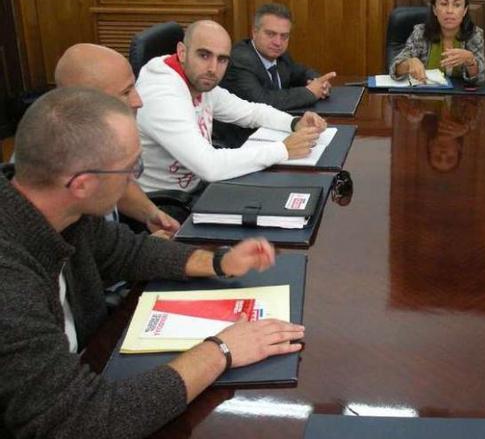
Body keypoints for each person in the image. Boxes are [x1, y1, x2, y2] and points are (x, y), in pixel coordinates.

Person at [0, 87, 305, 437]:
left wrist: (221, 262)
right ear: (81, 184)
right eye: (131, 168)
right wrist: (221, 350)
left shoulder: (63, 210)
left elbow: (130, 252)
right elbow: (85, 422)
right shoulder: (9, 283)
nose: (135, 179)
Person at [136, 20, 327, 194]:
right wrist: (283, 149)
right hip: (166, 203)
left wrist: (294, 123)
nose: (212, 68)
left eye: (222, 59)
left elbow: (250, 111)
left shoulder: (199, 81)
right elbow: (209, 166)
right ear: (182, 52)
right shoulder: (161, 95)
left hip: (199, 187)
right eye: (204, 55)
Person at [54, 43, 179, 236]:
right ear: (86, 104)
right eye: (126, 93)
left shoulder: (101, 135)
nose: (139, 101)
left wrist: (150, 213)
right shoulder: (59, 170)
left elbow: (117, 183)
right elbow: (86, 260)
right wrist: (141, 258)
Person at [217, 2, 337, 148]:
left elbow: (301, 72)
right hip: (240, 142)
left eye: (284, 36)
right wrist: (310, 92)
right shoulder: (240, 60)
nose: (278, 42)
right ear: (254, 32)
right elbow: (262, 100)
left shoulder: (280, 55)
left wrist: (319, 82)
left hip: (275, 130)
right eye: (271, 34)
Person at [390, 0, 485, 84]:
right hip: (426, 95)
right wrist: (408, 63)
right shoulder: (421, 33)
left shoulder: (474, 34)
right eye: (444, 4)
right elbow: (395, 69)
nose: (450, 10)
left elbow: (481, 79)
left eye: (457, 5)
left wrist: (471, 62)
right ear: (435, 10)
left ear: (464, 11)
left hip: (461, 97)